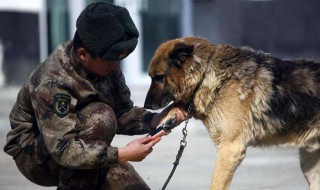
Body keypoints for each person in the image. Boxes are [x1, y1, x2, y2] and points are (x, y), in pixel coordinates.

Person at [3, 2, 187, 190]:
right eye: (111, 60)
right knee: (101, 116)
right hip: (37, 155)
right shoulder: (53, 82)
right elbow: (64, 150)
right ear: (83, 54)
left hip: (85, 143)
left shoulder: (105, 64)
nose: (115, 66)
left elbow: (122, 113)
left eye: (119, 58)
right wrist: (123, 154)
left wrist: (156, 119)